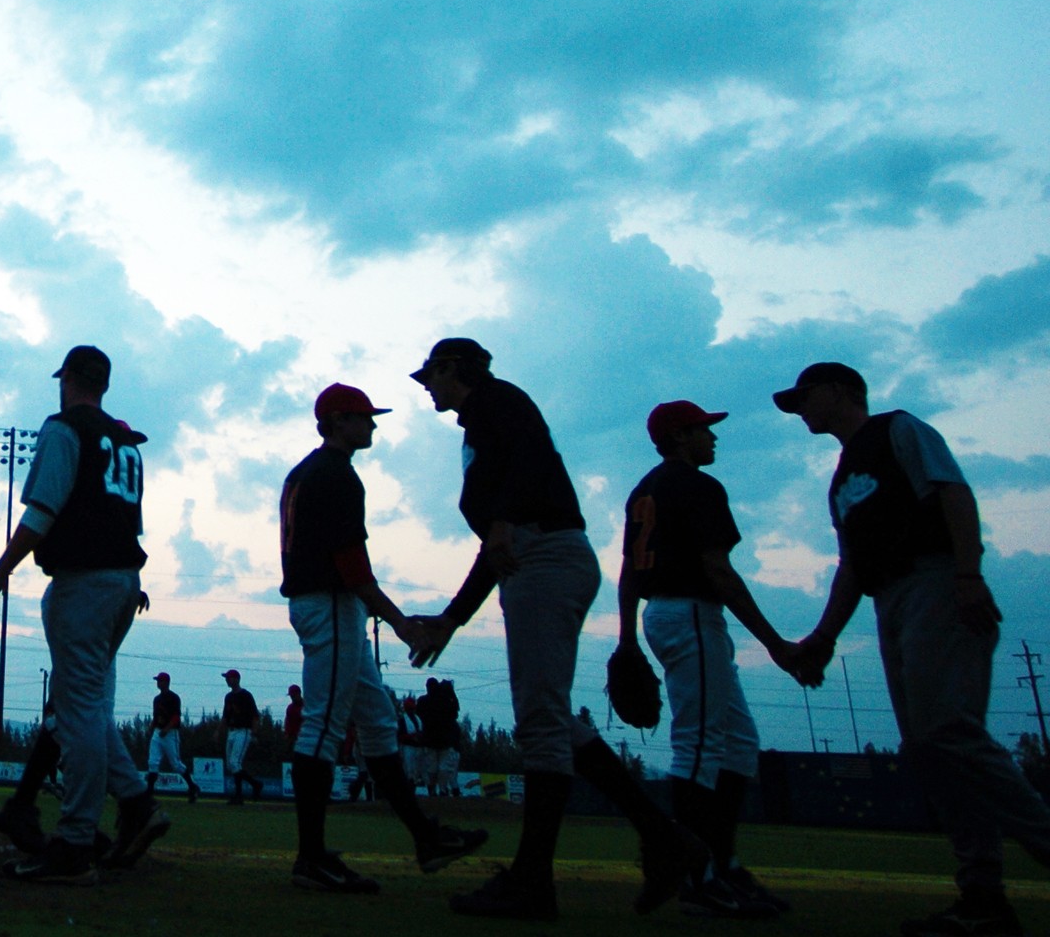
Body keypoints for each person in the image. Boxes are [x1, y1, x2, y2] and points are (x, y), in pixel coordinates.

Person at [402, 338, 713, 921]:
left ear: (452, 368)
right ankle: (662, 837)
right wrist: (452, 618)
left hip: (546, 556)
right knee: (552, 720)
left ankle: (533, 882)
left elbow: (519, 488)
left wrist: (500, 522)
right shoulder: (483, 422)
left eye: (431, 375)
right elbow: (500, 544)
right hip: (537, 557)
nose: (427, 387)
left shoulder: (497, 400)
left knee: (541, 721)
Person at [777, 362, 1050, 937]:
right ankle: (982, 897)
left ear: (840, 391)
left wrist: (968, 574)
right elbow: (852, 565)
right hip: (890, 600)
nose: (799, 408)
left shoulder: (898, 428)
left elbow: (953, 492)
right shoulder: (841, 479)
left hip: (936, 580)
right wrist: (824, 637)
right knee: (929, 748)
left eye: (805, 396)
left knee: (949, 731)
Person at [278, 382, 488, 894]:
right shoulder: (337, 474)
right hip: (330, 602)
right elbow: (351, 565)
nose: (371, 424)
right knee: (322, 727)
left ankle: (425, 837)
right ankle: (311, 858)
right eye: (362, 416)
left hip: (327, 602)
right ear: (337, 421)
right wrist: (397, 621)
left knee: (376, 721)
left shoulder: (306, 471)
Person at [0, 344, 167, 884]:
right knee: (84, 705)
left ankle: (76, 841)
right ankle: (135, 802)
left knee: (77, 713)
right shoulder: (126, 442)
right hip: (122, 581)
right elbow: (124, 522)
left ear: (68, 380)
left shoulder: (64, 429)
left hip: (83, 582)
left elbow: (42, 511)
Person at [618, 400, 799, 915]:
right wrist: (774, 642)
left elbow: (629, 571)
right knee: (699, 745)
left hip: (666, 613)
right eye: (703, 429)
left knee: (738, 743)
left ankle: (723, 865)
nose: (712, 437)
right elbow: (717, 570)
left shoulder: (644, 489)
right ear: (679, 435)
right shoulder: (698, 486)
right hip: (689, 613)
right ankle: (696, 877)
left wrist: (628, 638)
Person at [145, 671, 198, 801]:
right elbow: (156, 717)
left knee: (176, 764)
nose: (158, 683)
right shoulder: (157, 699)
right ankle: (149, 793)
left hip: (170, 733)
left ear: (166, 682)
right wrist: (151, 728)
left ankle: (192, 787)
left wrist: (167, 728)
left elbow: (176, 717)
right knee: (153, 762)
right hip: (158, 732)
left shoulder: (173, 698)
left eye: (160, 680)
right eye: (158, 681)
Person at [220, 670, 263, 803]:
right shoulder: (228, 697)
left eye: (229, 678)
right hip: (231, 731)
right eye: (226, 678)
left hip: (243, 731)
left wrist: (254, 732)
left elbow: (255, 715)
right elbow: (225, 716)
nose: (227, 680)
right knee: (230, 765)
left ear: (237, 679)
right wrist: (218, 731)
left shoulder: (246, 695)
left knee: (235, 763)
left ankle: (239, 796)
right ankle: (255, 784)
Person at [423, 678, 463, 796]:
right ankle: (442, 790)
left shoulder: (424, 701)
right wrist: (452, 694)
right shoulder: (446, 702)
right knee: (443, 767)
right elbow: (456, 711)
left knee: (432, 768)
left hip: (431, 739)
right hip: (444, 740)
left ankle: (434, 790)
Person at [283, 685, 305, 749]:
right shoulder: (290, 708)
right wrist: (287, 736)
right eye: (291, 696)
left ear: (299, 694)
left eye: (293, 695)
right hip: (294, 739)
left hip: (306, 737)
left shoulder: (307, 706)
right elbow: (287, 724)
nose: (292, 697)